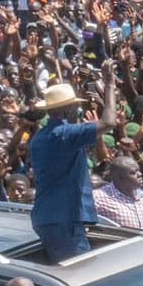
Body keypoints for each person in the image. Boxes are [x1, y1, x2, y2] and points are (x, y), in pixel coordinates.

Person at [25, 80, 107, 262]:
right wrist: (109, 84)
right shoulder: (63, 134)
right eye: (75, 105)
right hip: (62, 219)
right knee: (81, 273)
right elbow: (109, 122)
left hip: (52, 217)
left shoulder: (44, 135)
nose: (78, 108)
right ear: (66, 109)